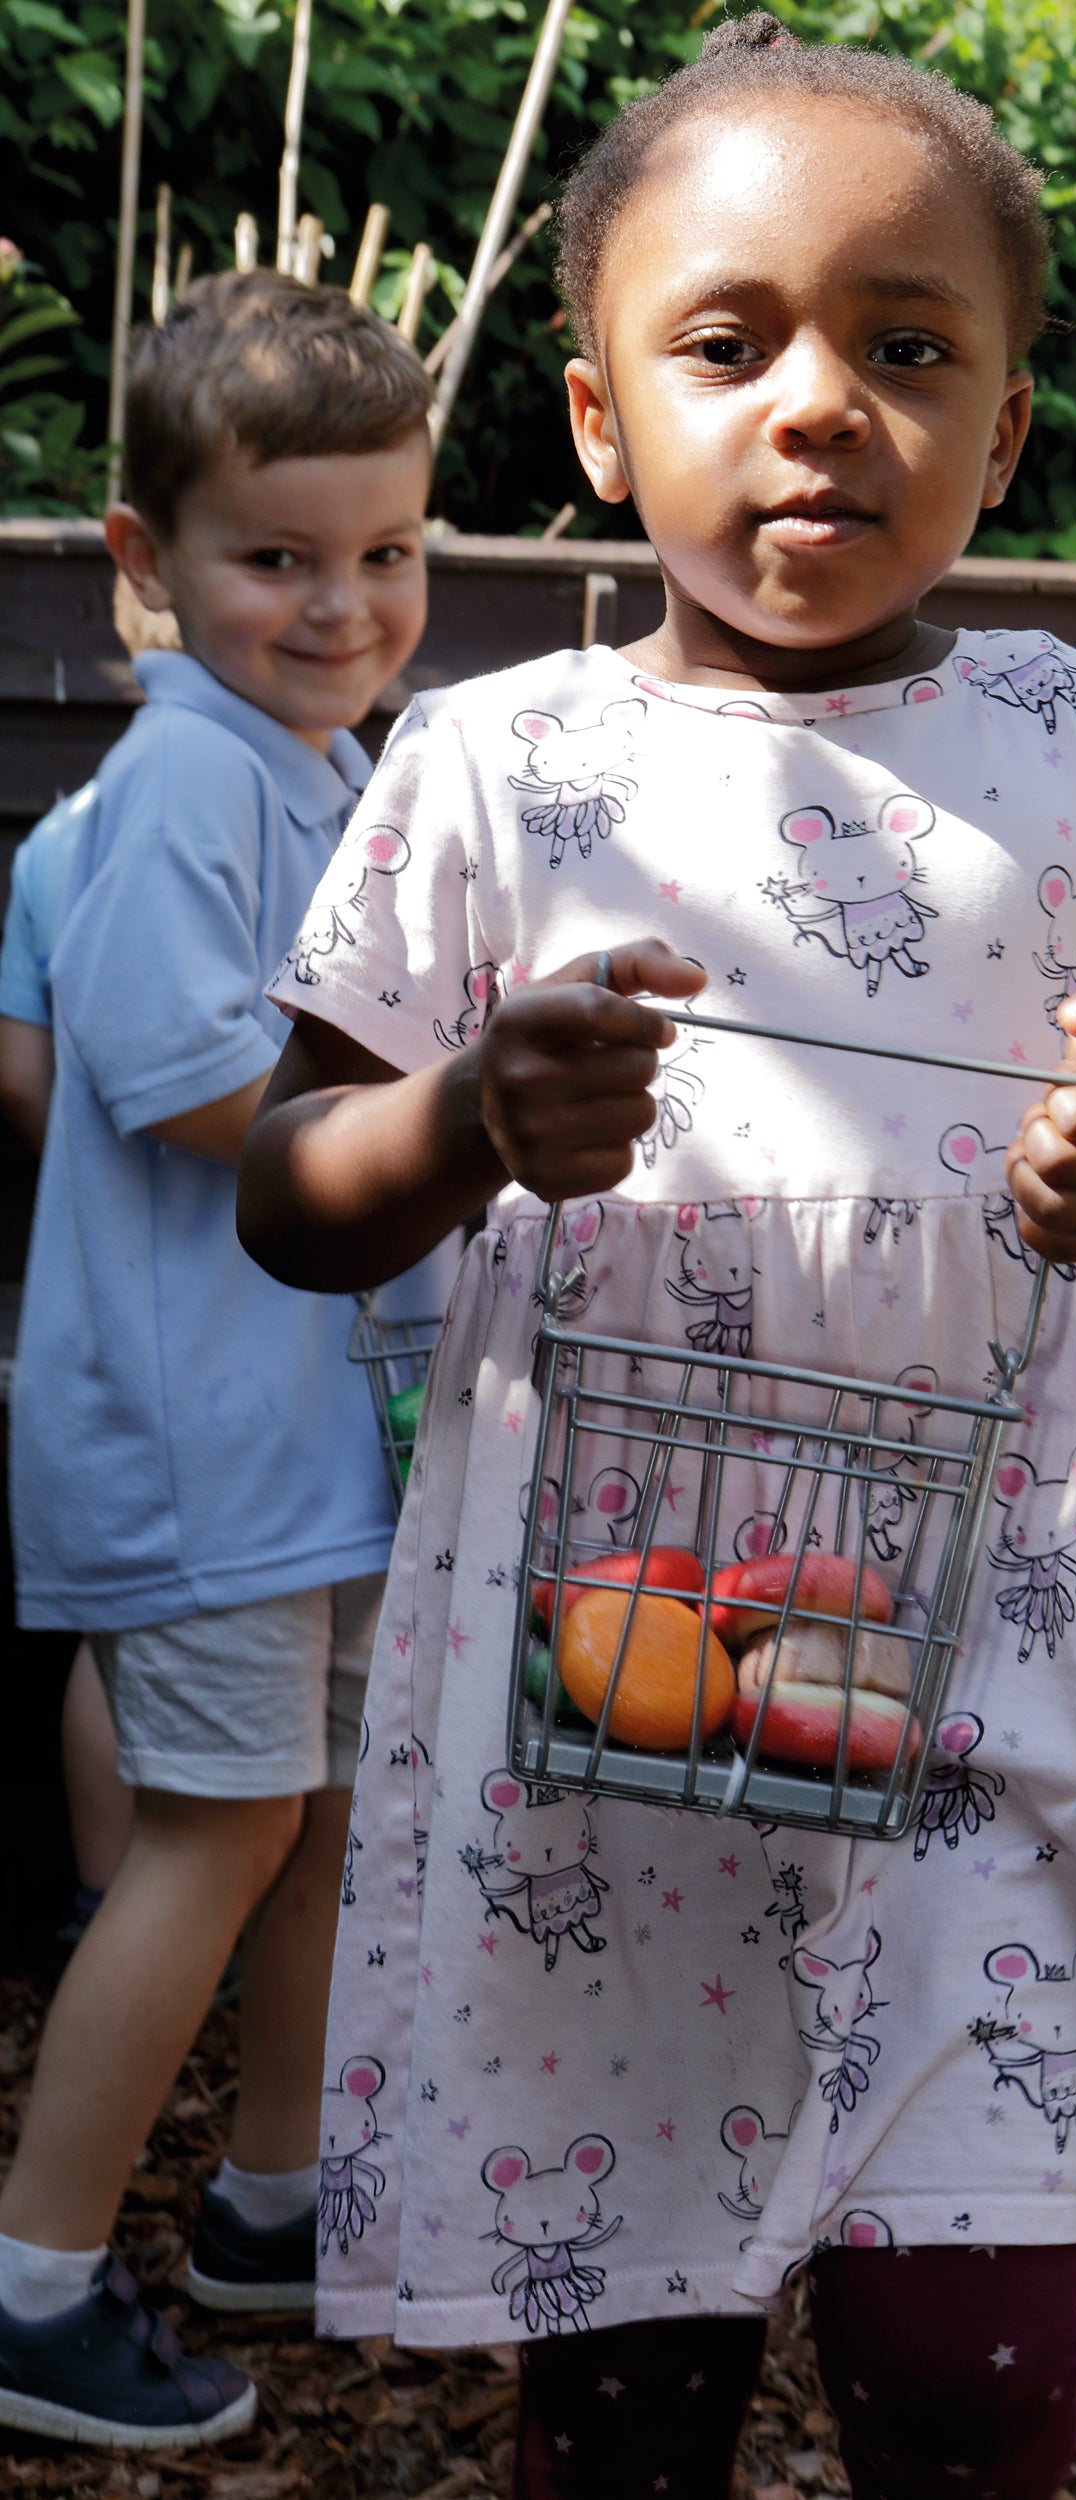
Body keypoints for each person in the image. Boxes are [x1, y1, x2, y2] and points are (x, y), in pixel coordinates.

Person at [239, 21, 1076, 2500]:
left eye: (903, 347)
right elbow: (286, 1192)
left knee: (971, 2375)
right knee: (625, 2393)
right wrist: (462, 1115)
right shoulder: (495, 766)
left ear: (1008, 432)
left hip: (988, 1679)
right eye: (732, 345)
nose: (819, 404)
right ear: (605, 417)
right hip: (607, 1722)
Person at [0, 269, 433, 2450]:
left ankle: (273, 2192)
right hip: (199, 1441)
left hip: (304, 1439)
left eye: (388, 552)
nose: (344, 603)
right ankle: (30, 2276)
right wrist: (455, 1110)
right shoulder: (179, 783)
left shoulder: (314, 755)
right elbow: (184, 1082)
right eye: (279, 557)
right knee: (210, 1825)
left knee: (312, 1815)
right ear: (146, 564)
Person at [0, 585, 184, 1932]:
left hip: (103, 1288)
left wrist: (109, 1176)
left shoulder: (56, 841)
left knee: (117, 1618)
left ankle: (98, 1905)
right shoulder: (297, 815)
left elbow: (21, 1074)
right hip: (247, 1291)